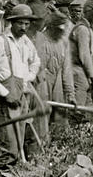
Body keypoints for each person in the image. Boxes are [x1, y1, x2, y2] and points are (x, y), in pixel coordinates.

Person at [0, 4, 41, 164]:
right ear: (12, 22)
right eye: (20, 23)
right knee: (9, 145)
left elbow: (36, 61)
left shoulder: (26, 41)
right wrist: (5, 93)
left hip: (20, 96)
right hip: (5, 98)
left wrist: (28, 78)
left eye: (27, 24)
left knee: (19, 139)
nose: (24, 27)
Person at [31, 11, 75, 146]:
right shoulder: (39, 39)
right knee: (41, 120)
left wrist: (70, 93)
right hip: (40, 82)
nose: (61, 33)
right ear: (51, 27)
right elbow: (36, 66)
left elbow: (66, 69)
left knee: (61, 118)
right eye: (58, 30)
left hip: (57, 82)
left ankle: (60, 149)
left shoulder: (64, 42)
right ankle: (40, 151)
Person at [68, 0, 93, 109]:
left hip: (83, 70)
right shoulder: (82, 29)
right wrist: (92, 77)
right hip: (77, 70)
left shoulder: (88, 28)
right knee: (79, 104)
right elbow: (85, 56)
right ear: (87, 12)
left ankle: (88, 123)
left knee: (88, 103)